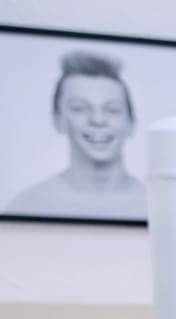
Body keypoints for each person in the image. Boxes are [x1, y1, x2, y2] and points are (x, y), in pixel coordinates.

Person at [7, 50, 145, 219]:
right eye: (80, 108)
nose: (98, 119)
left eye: (112, 109)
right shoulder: (28, 205)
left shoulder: (156, 205)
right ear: (58, 120)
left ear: (131, 123)